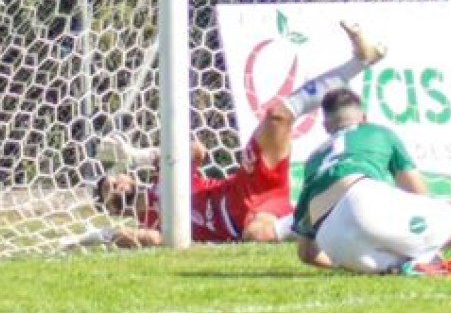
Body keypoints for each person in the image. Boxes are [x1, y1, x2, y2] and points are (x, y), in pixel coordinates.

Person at [101, 21, 386, 245]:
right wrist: (111, 236)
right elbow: (152, 239)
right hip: (243, 222)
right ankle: (329, 219)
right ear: (113, 208)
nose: (117, 185)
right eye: (110, 191)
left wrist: (137, 156)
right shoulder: (148, 221)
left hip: (244, 186)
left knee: (278, 116)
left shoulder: (164, 174)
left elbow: (197, 150)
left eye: (114, 178)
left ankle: (359, 61)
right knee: (257, 234)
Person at [289, 88, 451, 277]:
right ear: (365, 118)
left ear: (326, 127)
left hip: (333, 240)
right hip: (363, 199)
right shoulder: (378, 132)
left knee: (411, 256)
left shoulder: (313, 159)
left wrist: (341, 262)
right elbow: (419, 193)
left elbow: (306, 253)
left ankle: (403, 265)